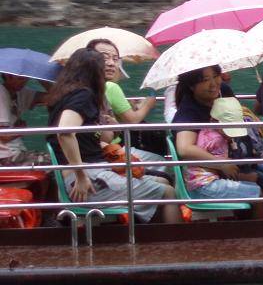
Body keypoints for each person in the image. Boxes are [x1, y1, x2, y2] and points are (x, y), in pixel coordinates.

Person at [45, 48, 181, 223]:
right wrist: (81, 176)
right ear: (95, 72)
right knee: (168, 192)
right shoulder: (83, 95)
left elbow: (93, 138)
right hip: (87, 180)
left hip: (92, 172)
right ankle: (175, 238)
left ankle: (147, 234)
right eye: (103, 65)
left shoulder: (65, 94)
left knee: (162, 182)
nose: (109, 67)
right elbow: (64, 132)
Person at [173, 67, 263, 202]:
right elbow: (184, 149)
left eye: (215, 76)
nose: (213, 84)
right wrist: (222, 164)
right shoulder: (188, 112)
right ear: (191, 86)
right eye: (205, 80)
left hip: (235, 154)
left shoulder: (223, 91)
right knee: (262, 181)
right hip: (211, 165)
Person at [85, 39, 166, 173]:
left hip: (104, 146)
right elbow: (133, 120)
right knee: (160, 162)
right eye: (105, 58)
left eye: (115, 59)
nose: (111, 63)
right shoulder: (110, 87)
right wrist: (148, 104)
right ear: (90, 59)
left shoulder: (91, 87)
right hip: (112, 148)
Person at [184, 97, 263, 218]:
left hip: (196, 184)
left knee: (252, 186)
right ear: (214, 121)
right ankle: (260, 227)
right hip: (206, 187)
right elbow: (225, 170)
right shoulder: (218, 140)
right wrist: (245, 176)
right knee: (257, 192)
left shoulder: (206, 132)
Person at [0, 72, 49, 166]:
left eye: (26, 78)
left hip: (17, 152)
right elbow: (3, 135)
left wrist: (40, 77)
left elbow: (53, 98)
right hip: (6, 156)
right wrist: (21, 129)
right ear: (8, 76)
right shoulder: (1, 93)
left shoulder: (20, 93)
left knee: (55, 159)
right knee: (51, 161)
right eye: (21, 78)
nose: (24, 82)